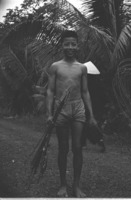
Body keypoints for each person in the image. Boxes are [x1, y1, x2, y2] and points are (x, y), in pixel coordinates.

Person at [46, 30, 97, 197]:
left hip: (78, 108)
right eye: (66, 44)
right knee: (63, 148)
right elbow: (51, 91)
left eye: (73, 44)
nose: (70, 47)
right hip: (61, 109)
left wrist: (91, 115)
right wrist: (49, 113)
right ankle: (62, 184)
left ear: (77, 46)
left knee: (77, 148)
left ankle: (76, 185)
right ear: (62, 45)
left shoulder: (82, 68)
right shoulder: (55, 66)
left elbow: (85, 92)